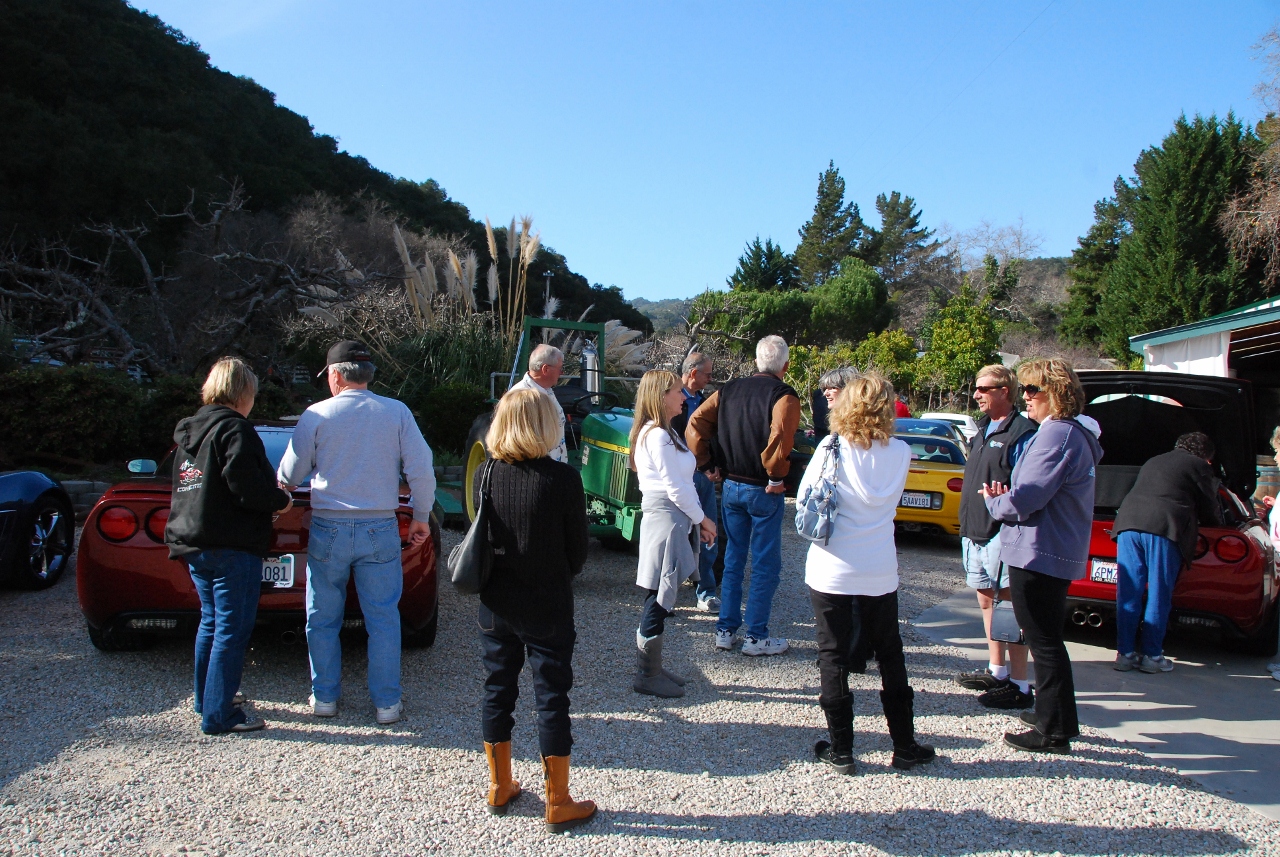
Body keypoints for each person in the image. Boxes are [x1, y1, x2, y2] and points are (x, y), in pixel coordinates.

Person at [277, 340, 435, 725]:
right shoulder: (396, 412)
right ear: (368, 375)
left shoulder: (316, 414)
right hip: (380, 525)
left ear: (335, 375)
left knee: (322, 615)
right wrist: (420, 515)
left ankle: (325, 697)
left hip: (328, 525)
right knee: (382, 618)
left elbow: (290, 474)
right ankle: (386, 703)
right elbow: (421, 468)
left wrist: (283, 486)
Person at [798, 373, 936, 775]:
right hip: (879, 565)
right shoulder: (901, 452)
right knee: (890, 653)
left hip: (831, 564)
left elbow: (805, 498)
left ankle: (842, 749)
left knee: (832, 654)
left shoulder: (831, 447)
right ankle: (904, 745)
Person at [474, 389, 596, 832]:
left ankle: (499, 786)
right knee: (552, 699)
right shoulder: (563, 479)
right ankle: (557, 802)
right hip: (547, 604)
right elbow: (578, 555)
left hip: (496, 603)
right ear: (546, 425)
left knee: (496, 690)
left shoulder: (486, 473)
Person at [165, 357, 293, 735]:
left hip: (194, 542)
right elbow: (246, 487)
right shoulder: (236, 429)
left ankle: (206, 699)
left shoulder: (190, 432)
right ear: (243, 393)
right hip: (232, 545)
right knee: (231, 630)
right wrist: (280, 501)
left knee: (211, 622)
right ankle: (219, 716)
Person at [982, 358, 1102, 755]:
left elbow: (1029, 496)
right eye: (1026, 389)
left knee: (1043, 640)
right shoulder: (1072, 434)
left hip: (1038, 551)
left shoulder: (1057, 435)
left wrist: (996, 504)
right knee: (1046, 638)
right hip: (1048, 549)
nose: (1026, 397)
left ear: (1056, 393)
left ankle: (1053, 731)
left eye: (1034, 390)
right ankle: (1057, 717)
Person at [687, 335, 801, 656]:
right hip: (763, 487)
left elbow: (696, 423)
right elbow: (780, 436)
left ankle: (725, 629)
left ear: (755, 362)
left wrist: (706, 464)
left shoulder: (727, 390)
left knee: (734, 558)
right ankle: (756, 636)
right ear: (785, 366)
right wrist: (776, 476)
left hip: (731, 486)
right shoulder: (784, 396)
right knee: (765, 563)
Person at [954, 364, 1037, 709]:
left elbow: (1027, 487)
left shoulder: (1023, 433)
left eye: (984, 389)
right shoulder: (982, 429)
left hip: (1002, 533)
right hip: (974, 531)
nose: (976, 395)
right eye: (976, 388)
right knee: (987, 601)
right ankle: (997, 670)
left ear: (1005, 390)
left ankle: (1020, 683)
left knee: (1010, 608)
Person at [631, 370, 716, 698]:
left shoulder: (663, 433)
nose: (684, 397)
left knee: (662, 593)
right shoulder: (657, 436)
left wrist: (697, 520)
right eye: (678, 391)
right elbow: (675, 488)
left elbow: (683, 485)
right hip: (667, 519)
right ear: (661, 395)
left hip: (673, 518)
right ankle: (647, 674)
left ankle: (652, 667)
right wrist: (703, 520)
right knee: (659, 595)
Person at [1111, 432, 1223, 673]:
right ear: (1205, 456)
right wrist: (1217, 522)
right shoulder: (1199, 465)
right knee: (1159, 592)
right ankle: (1152, 656)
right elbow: (1209, 505)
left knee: (1129, 593)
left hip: (1128, 524)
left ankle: (1125, 654)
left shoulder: (1155, 460)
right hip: (1163, 528)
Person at [671, 351, 720, 612]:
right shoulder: (668, 399)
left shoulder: (706, 402)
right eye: (707, 374)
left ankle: (706, 592)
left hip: (702, 477)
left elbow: (713, 438)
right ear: (692, 373)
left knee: (708, 534)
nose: (710, 379)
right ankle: (667, 595)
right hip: (677, 478)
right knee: (675, 536)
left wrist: (713, 467)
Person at [509, 344, 568, 463]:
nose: (561, 373)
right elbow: (520, 442)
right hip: (535, 468)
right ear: (545, 369)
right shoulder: (521, 397)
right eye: (560, 368)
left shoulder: (546, 389)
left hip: (554, 466)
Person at [811, 366, 860, 438]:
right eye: (825, 389)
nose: (825, 393)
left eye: (833, 388)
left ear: (848, 389)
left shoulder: (863, 424)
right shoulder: (835, 421)